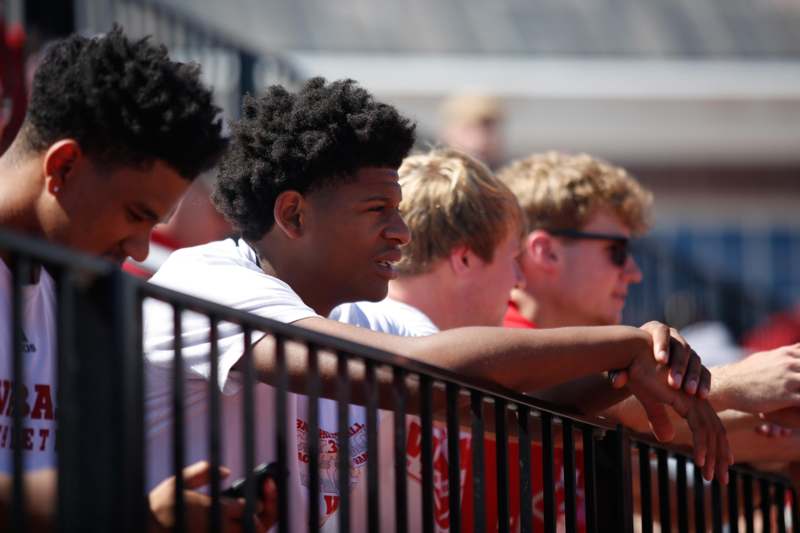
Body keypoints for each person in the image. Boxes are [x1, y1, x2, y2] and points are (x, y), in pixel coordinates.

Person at [142, 79, 730, 531]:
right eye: (377, 210)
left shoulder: (369, 320)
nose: (401, 232)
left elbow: (515, 414)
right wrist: (626, 341)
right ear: (294, 214)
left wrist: (625, 372)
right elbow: (415, 370)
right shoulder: (206, 280)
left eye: (399, 209)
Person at [0, 27, 249, 532]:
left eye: (153, 225)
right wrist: (131, 514)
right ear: (63, 166)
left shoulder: (83, 297)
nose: (139, 248)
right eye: (135, 215)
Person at [496, 151, 800, 456]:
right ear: (546, 252)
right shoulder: (498, 334)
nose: (634, 272)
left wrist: (770, 408)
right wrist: (737, 384)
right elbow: (585, 403)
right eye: (617, 251)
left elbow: (637, 430)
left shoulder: (580, 359)